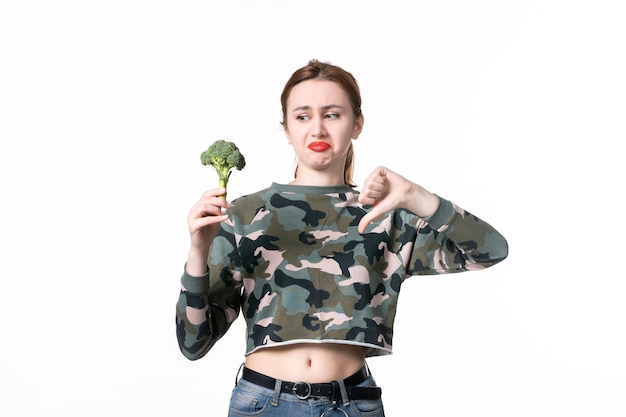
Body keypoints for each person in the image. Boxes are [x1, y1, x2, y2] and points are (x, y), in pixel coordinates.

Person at [175, 59, 508, 417]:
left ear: (357, 124)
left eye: (332, 114)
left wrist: (416, 196)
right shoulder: (245, 213)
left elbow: (491, 250)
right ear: (286, 129)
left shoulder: (385, 216)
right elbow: (193, 344)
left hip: (352, 405)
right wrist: (198, 251)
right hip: (261, 403)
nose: (317, 129)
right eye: (302, 116)